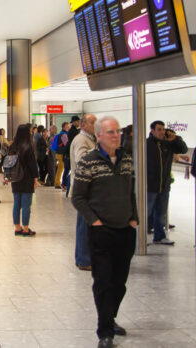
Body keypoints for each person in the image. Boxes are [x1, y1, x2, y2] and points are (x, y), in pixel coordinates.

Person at [72, 116, 137, 347]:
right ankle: (105, 331)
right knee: (103, 281)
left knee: (119, 282)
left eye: (118, 131)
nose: (116, 135)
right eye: (111, 132)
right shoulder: (88, 161)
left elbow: (131, 192)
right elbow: (77, 197)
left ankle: (110, 317)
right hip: (102, 232)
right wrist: (95, 222)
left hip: (125, 231)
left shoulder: (127, 160)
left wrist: (134, 218)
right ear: (99, 135)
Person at [146, 120, 188, 245]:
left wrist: (174, 139)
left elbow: (183, 149)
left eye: (163, 129)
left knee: (161, 211)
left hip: (164, 184)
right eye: (159, 129)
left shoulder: (168, 144)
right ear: (152, 131)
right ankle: (140, 235)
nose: (162, 132)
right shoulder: (147, 144)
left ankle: (159, 236)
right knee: (146, 211)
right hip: (150, 184)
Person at [71, 114, 98, 271]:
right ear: (83, 125)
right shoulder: (82, 140)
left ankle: (84, 257)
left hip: (89, 187)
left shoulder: (90, 139)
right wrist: (98, 149)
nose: (96, 125)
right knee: (85, 223)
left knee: (86, 222)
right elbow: (81, 160)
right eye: (93, 123)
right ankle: (83, 259)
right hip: (84, 188)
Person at [7, 124, 39, 236]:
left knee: (16, 203)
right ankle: (26, 229)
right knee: (26, 205)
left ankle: (17, 227)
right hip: (26, 178)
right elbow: (32, 165)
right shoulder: (28, 147)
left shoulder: (12, 146)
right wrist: (36, 179)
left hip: (15, 178)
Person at [52, 122, 70, 190]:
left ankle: (57, 182)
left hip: (59, 153)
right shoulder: (63, 135)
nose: (68, 127)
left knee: (60, 168)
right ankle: (57, 183)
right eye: (67, 126)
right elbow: (66, 144)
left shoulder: (61, 134)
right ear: (63, 127)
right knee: (61, 169)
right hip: (61, 154)